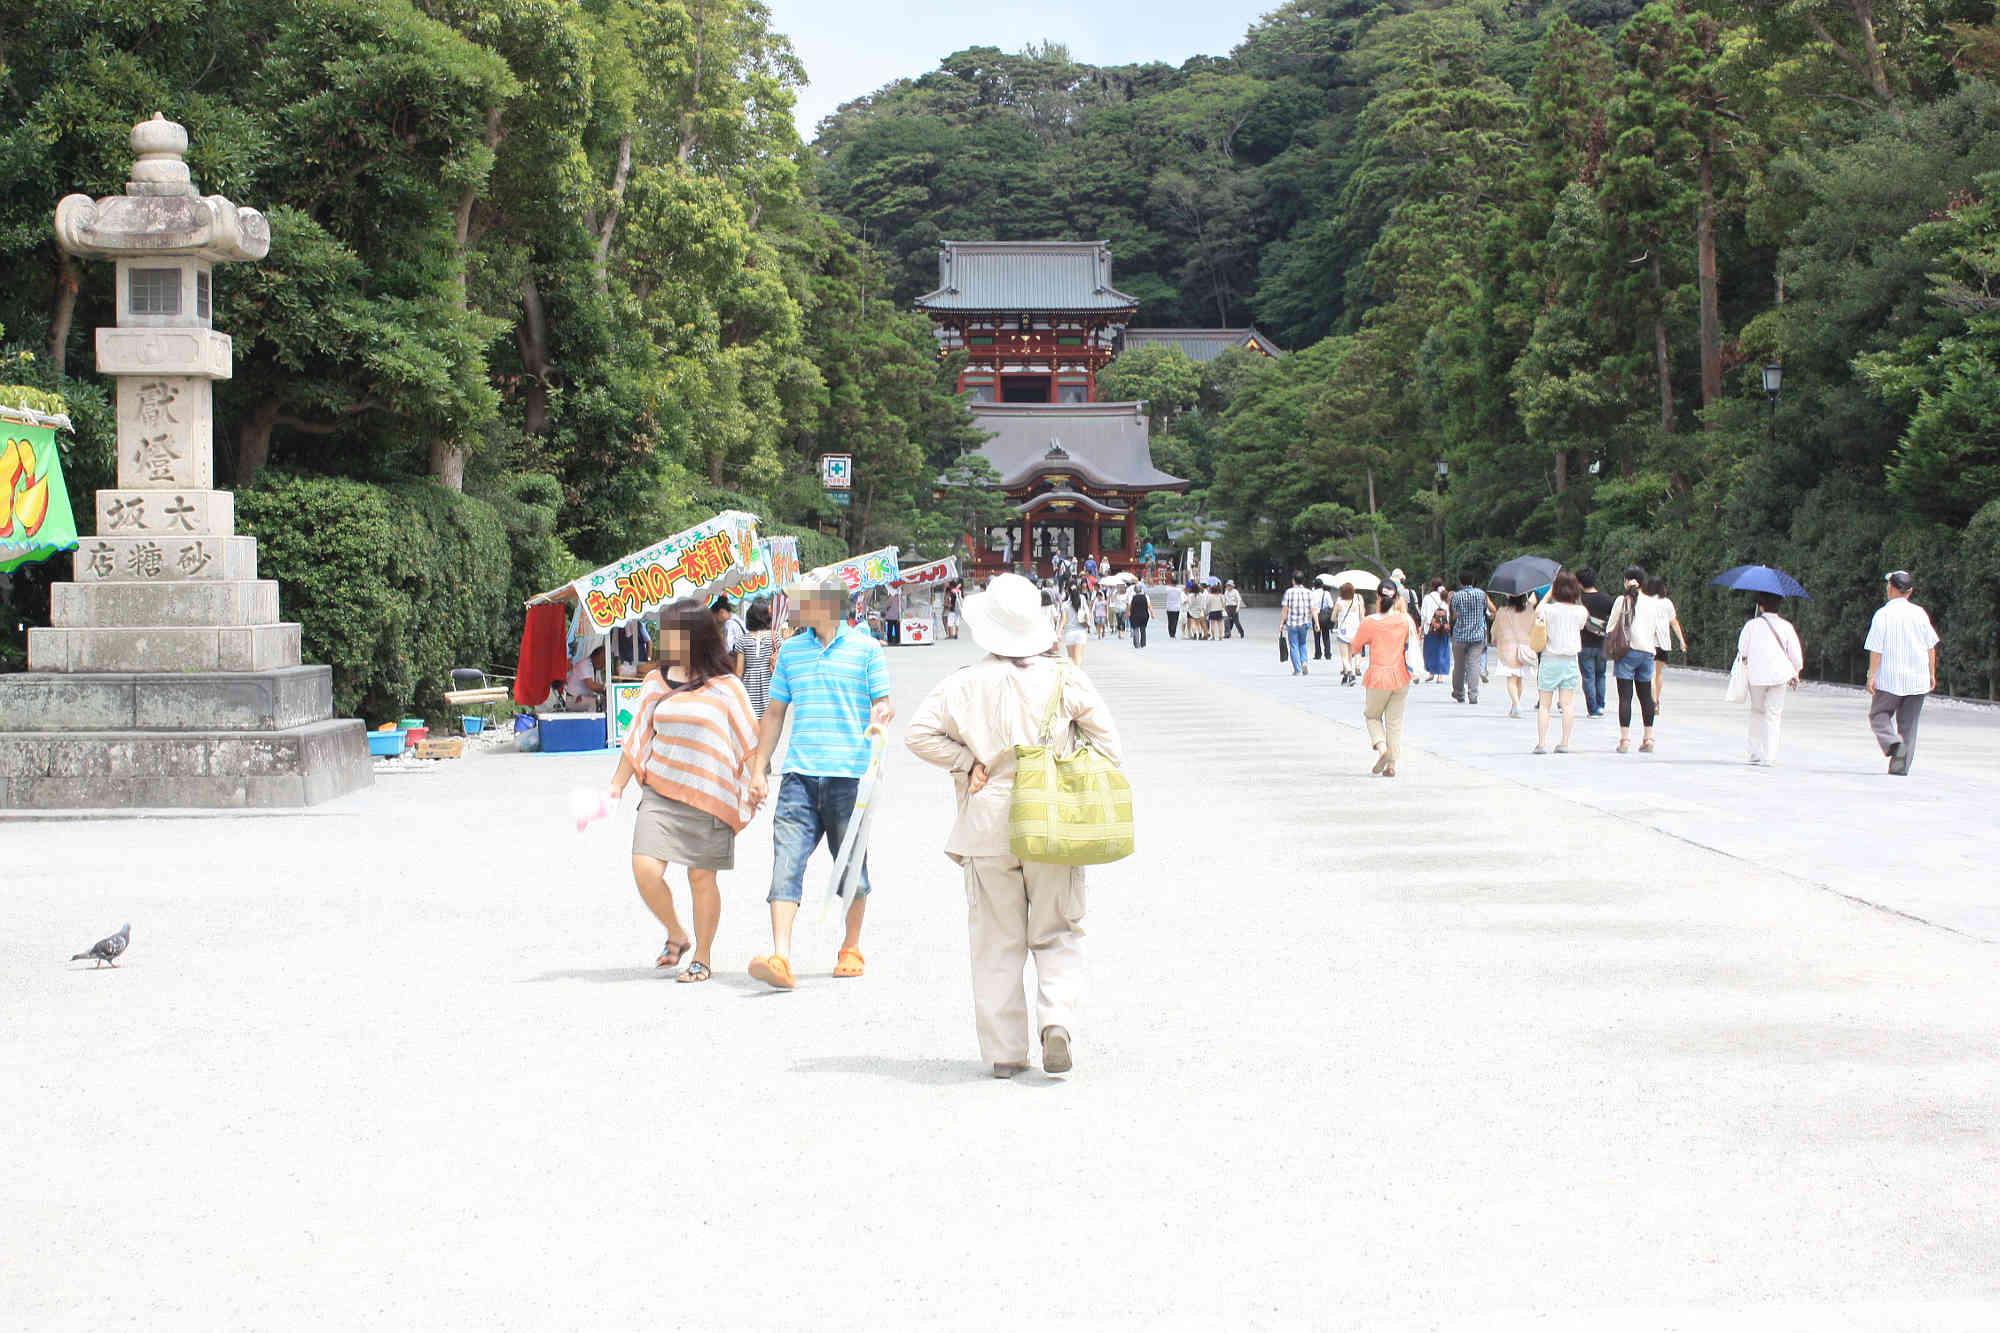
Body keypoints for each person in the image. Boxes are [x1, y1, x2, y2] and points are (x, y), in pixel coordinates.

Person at [905, 574, 1123, 1078]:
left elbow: (918, 734)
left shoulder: (961, 682)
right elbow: (1112, 748)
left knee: (996, 938)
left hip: (986, 822)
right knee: (1058, 929)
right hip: (1051, 820)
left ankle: (1005, 1052)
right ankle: (1057, 1021)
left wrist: (965, 759)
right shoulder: (1066, 678)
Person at [744, 574, 895, 990]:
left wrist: (880, 718)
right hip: (799, 776)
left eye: (801, 601)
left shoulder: (866, 650)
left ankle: (851, 946)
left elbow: (883, 703)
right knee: (785, 862)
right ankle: (781, 956)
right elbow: (774, 713)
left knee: (851, 866)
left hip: (849, 777)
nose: (793, 609)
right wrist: (759, 768)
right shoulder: (791, 652)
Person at [606, 600, 761, 982]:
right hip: (661, 791)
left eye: (673, 633)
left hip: (709, 794)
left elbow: (752, 741)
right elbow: (638, 737)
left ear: (696, 637)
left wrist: (758, 779)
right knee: (645, 868)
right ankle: (677, 932)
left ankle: (703, 957)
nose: (664, 639)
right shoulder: (655, 682)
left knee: (701, 878)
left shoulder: (726, 687)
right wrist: (616, 785)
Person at [1865, 569, 1939, 775]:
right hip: (1917, 678)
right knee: (1909, 724)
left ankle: (1893, 744)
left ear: (1890, 589)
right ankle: (1900, 767)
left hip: (1890, 677)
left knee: (1878, 714)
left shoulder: (1883, 614)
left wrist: (1872, 675)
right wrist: (1931, 673)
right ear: (1910, 591)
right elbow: (1930, 647)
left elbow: (1876, 649)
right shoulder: (1920, 613)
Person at [1601, 565, 1672, 754]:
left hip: (1627, 652)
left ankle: (1625, 740)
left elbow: (1610, 627)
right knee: (1646, 697)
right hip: (1648, 653)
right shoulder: (1653, 602)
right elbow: (1659, 630)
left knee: (1625, 697)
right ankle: (1648, 738)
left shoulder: (1621, 600)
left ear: (1627, 581)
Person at [1348, 584, 1415, 776]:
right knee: (1394, 722)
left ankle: (1382, 749)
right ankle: (1392, 765)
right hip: (1401, 675)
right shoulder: (1405, 620)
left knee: (1372, 716)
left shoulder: (1370, 622)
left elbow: (1355, 646)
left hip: (1379, 676)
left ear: (1378, 598)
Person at [1737, 591, 1804, 766]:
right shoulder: (1786, 626)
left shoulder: (1751, 625)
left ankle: (1754, 752)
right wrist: (1795, 672)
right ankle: (1770, 756)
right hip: (1779, 676)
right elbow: (1796, 656)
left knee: (1757, 711)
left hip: (1756, 675)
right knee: (1774, 714)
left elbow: (1742, 650)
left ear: (1761, 606)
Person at [1532, 574, 1588, 754]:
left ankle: (1541, 743)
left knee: (1545, 705)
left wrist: (1548, 594)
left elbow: (1536, 611)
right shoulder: (1581, 611)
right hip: (1571, 661)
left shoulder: (1548, 610)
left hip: (1549, 659)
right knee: (1567, 704)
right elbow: (1580, 625)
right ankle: (1564, 742)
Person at [1643, 576, 1689, 711]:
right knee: (1658, 673)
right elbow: (1674, 623)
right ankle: (1656, 701)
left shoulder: (1645, 602)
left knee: (1650, 674)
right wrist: (1682, 641)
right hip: (1664, 643)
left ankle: (1652, 702)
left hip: (1649, 642)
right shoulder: (1667, 603)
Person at [1449, 574, 1495, 705]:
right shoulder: (1482, 594)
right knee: (1474, 665)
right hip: (1477, 636)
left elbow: (1454, 616)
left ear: (1461, 582)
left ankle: (1459, 693)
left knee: (1459, 665)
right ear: (1473, 581)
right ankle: (1473, 695)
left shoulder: (1456, 596)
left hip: (1460, 635)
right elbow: (1493, 610)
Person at [1491, 592, 1539, 719]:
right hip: (1524, 649)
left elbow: (1495, 629)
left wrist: (1494, 638)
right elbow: (1534, 629)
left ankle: (1516, 705)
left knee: (1511, 679)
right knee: (1519, 679)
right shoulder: (1529, 612)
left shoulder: (1502, 611)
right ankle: (1514, 706)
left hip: (1507, 649)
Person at [1577, 568, 1614, 719]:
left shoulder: (1578, 600)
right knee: (1601, 675)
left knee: (1588, 677)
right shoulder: (1606, 599)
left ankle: (1592, 709)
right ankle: (1600, 706)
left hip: (1584, 643)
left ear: (1579, 583)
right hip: (1601, 643)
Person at [1280, 570, 1314, 676]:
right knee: (1303, 644)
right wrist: (1316, 623)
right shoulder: (1309, 592)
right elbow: (1313, 608)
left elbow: (1285, 609)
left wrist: (1282, 623)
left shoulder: (1289, 592)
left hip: (1292, 624)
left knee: (1294, 645)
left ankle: (1298, 669)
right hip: (1304, 623)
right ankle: (1304, 662)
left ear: (1293, 581)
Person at [1418, 578, 1452, 683]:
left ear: (1432, 586)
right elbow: (1449, 612)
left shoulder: (1428, 598)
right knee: (1443, 650)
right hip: (1444, 628)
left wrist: (1421, 628)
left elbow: (1423, 614)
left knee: (1430, 651)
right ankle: (1440, 676)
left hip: (1432, 627)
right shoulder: (1445, 596)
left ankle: (1431, 672)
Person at [1332, 583, 1364, 685]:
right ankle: (1347, 676)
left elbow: (1333, 618)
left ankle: (1351, 674)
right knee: (1350, 656)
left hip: (1343, 631)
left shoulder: (1339, 603)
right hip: (1355, 631)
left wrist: (1339, 616)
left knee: (1344, 657)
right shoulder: (1357, 603)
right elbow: (1362, 617)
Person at [563, 643, 608, 711]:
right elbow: (592, 686)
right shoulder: (584, 664)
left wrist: (604, 689)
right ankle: (592, 721)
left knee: (603, 701)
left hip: (583, 698)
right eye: (604, 661)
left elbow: (599, 687)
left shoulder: (595, 668)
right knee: (593, 703)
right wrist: (605, 688)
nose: (604, 664)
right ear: (597, 658)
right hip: (573, 699)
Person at [711, 596, 748, 675]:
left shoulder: (729, 624)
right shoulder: (738, 619)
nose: (718, 620)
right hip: (745, 657)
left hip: (737, 660)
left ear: (721, 612)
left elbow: (727, 647)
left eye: (716, 617)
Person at [1062, 584, 1090, 664]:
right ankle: (1078, 672)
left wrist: (1059, 631)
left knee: (1071, 659)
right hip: (1081, 632)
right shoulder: (1082, 599)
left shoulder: (1065, 605)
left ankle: (1074, 674)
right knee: (1079, 657)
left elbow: (1064, 620)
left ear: (1067, 591)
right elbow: (1087, 612)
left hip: (1069, 633)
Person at [1128, 580, 1151, 648]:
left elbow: (1129, 606)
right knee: (1143, 629)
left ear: (1135, 590)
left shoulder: (1132, 597)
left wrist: (1128, 612)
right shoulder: (1146, 596)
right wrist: (1152, 613)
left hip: (1134, 615)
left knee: (1135, 629)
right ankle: (1143, 644)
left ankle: (1137, 644)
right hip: (1144, 615)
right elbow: (1149, 606)